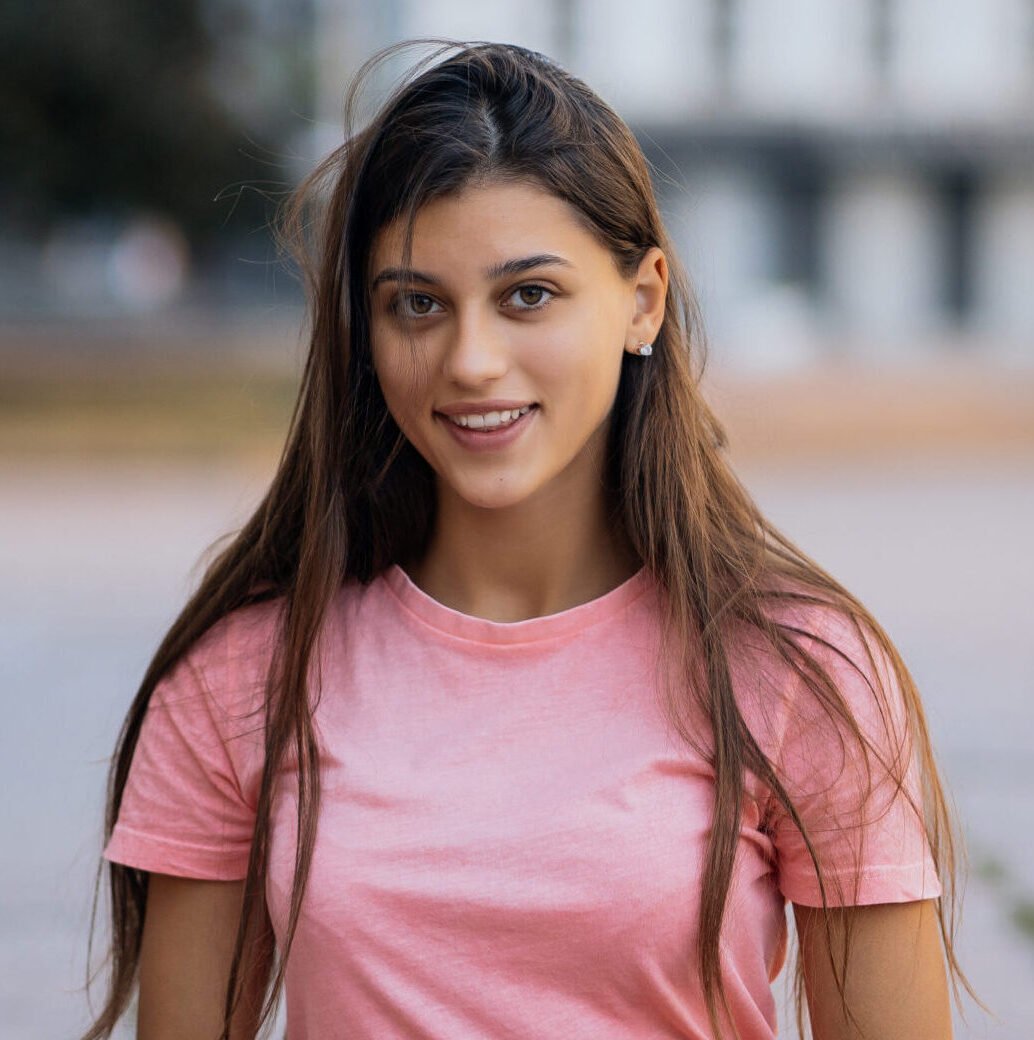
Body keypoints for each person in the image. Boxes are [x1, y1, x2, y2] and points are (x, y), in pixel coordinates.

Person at [81, 39, 974, 1040]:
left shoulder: (798, 673)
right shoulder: (240, 680)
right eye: (416, 304)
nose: (469, 359)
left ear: (642, 299)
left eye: (527, 296)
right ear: (364, 330)